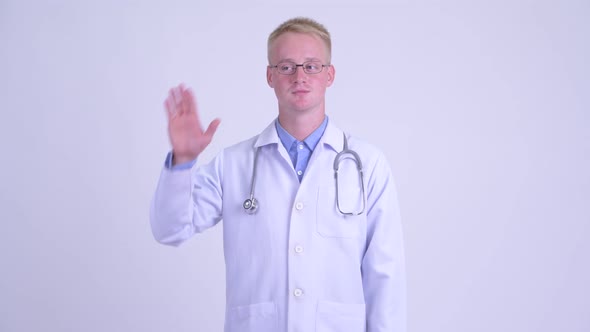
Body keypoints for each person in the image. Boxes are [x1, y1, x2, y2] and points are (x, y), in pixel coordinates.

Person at [150, 17, 406, 332]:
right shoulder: (234, 164)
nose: (299, 76)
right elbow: (170, 229)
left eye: (312, 66)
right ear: (270, 76)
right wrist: (183, 162)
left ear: (330, 75)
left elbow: (385, 275)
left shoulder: (367, 164)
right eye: (286, 67)